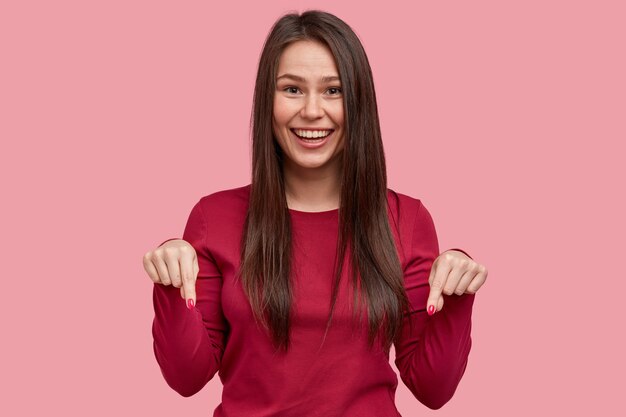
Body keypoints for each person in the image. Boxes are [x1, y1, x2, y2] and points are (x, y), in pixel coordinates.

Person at [142, 9, 487, 416]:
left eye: (333, 91)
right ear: (266, 101)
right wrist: (170, 280)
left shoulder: (406, 220)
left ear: (359, 103)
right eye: (291, 89)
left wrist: (456, 295)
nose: (311, 111)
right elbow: (186, 377)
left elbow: (433, 388)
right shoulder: (212, 217)